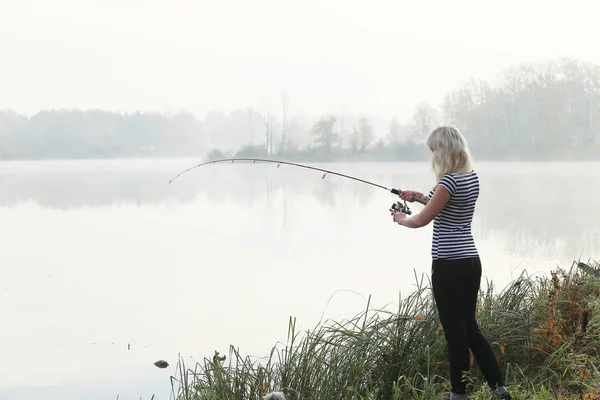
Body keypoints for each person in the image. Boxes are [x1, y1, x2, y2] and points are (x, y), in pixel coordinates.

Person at [391, 125, 511, 400]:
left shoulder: (447, 183)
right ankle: (499, 389)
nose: (432, 155)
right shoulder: (469, 178)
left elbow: (422, 219)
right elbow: (447, 206)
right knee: (470, 327)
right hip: (470, 261)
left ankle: (459, 394)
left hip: (448, 264)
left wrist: (401, 219)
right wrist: (419, 196)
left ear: (443, 151)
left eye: (433, 150)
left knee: (455, 333)